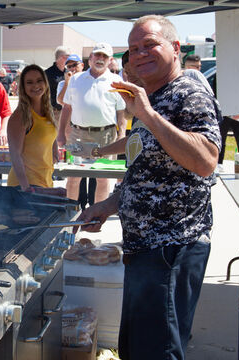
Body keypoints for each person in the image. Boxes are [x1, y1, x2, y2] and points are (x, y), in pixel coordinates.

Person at [76, 15, 221, 359]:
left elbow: (206, 161)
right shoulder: (151, 96)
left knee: (159, 351)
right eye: (134, 48)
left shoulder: (190, 92)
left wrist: (149, 115)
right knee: (139, 348)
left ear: (176, 48)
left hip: (172, 248)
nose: (140, 54)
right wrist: (108, 205)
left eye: (150, 45)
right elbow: (145, 170)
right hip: (145, 249)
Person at [57, 42, 126, 203]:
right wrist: (61, 133)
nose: (100, 59)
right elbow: (67, 107)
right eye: (97, 55)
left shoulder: (116, 81)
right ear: (90, 59)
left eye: (104, 56)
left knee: (103, 178)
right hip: (78, 135)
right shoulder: (75, 79)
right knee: (74, 177)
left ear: (109, 60)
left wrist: (122, 134)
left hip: (106, 136)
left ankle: (96, 218)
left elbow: (121, 112)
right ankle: (70, 214)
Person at [7, 65, 57, 191]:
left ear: (45, 83)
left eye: (39, 80)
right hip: (26, 185)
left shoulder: (47, 112)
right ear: (23, 87)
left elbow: (48, 135)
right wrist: (25, 187)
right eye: (29, 82)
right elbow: (15, 155)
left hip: (45, 181)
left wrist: (55, 150)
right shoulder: (20, 115)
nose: (35, 86)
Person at [45, 46, 70, 120]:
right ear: (62, 57)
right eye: (68, 56)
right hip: (54, 112)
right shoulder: (47, 74)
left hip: (68, 111)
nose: (70, 59)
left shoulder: (69, 72)